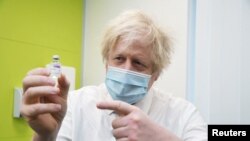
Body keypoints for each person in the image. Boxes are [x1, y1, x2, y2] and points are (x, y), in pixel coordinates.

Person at [21, 10, 207, 141]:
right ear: (106, 64)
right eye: (119, 58)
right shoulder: (75, 105)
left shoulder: (183, 115)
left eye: (138, 63)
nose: (126, 70)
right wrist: (44, 137)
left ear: (155, 74)